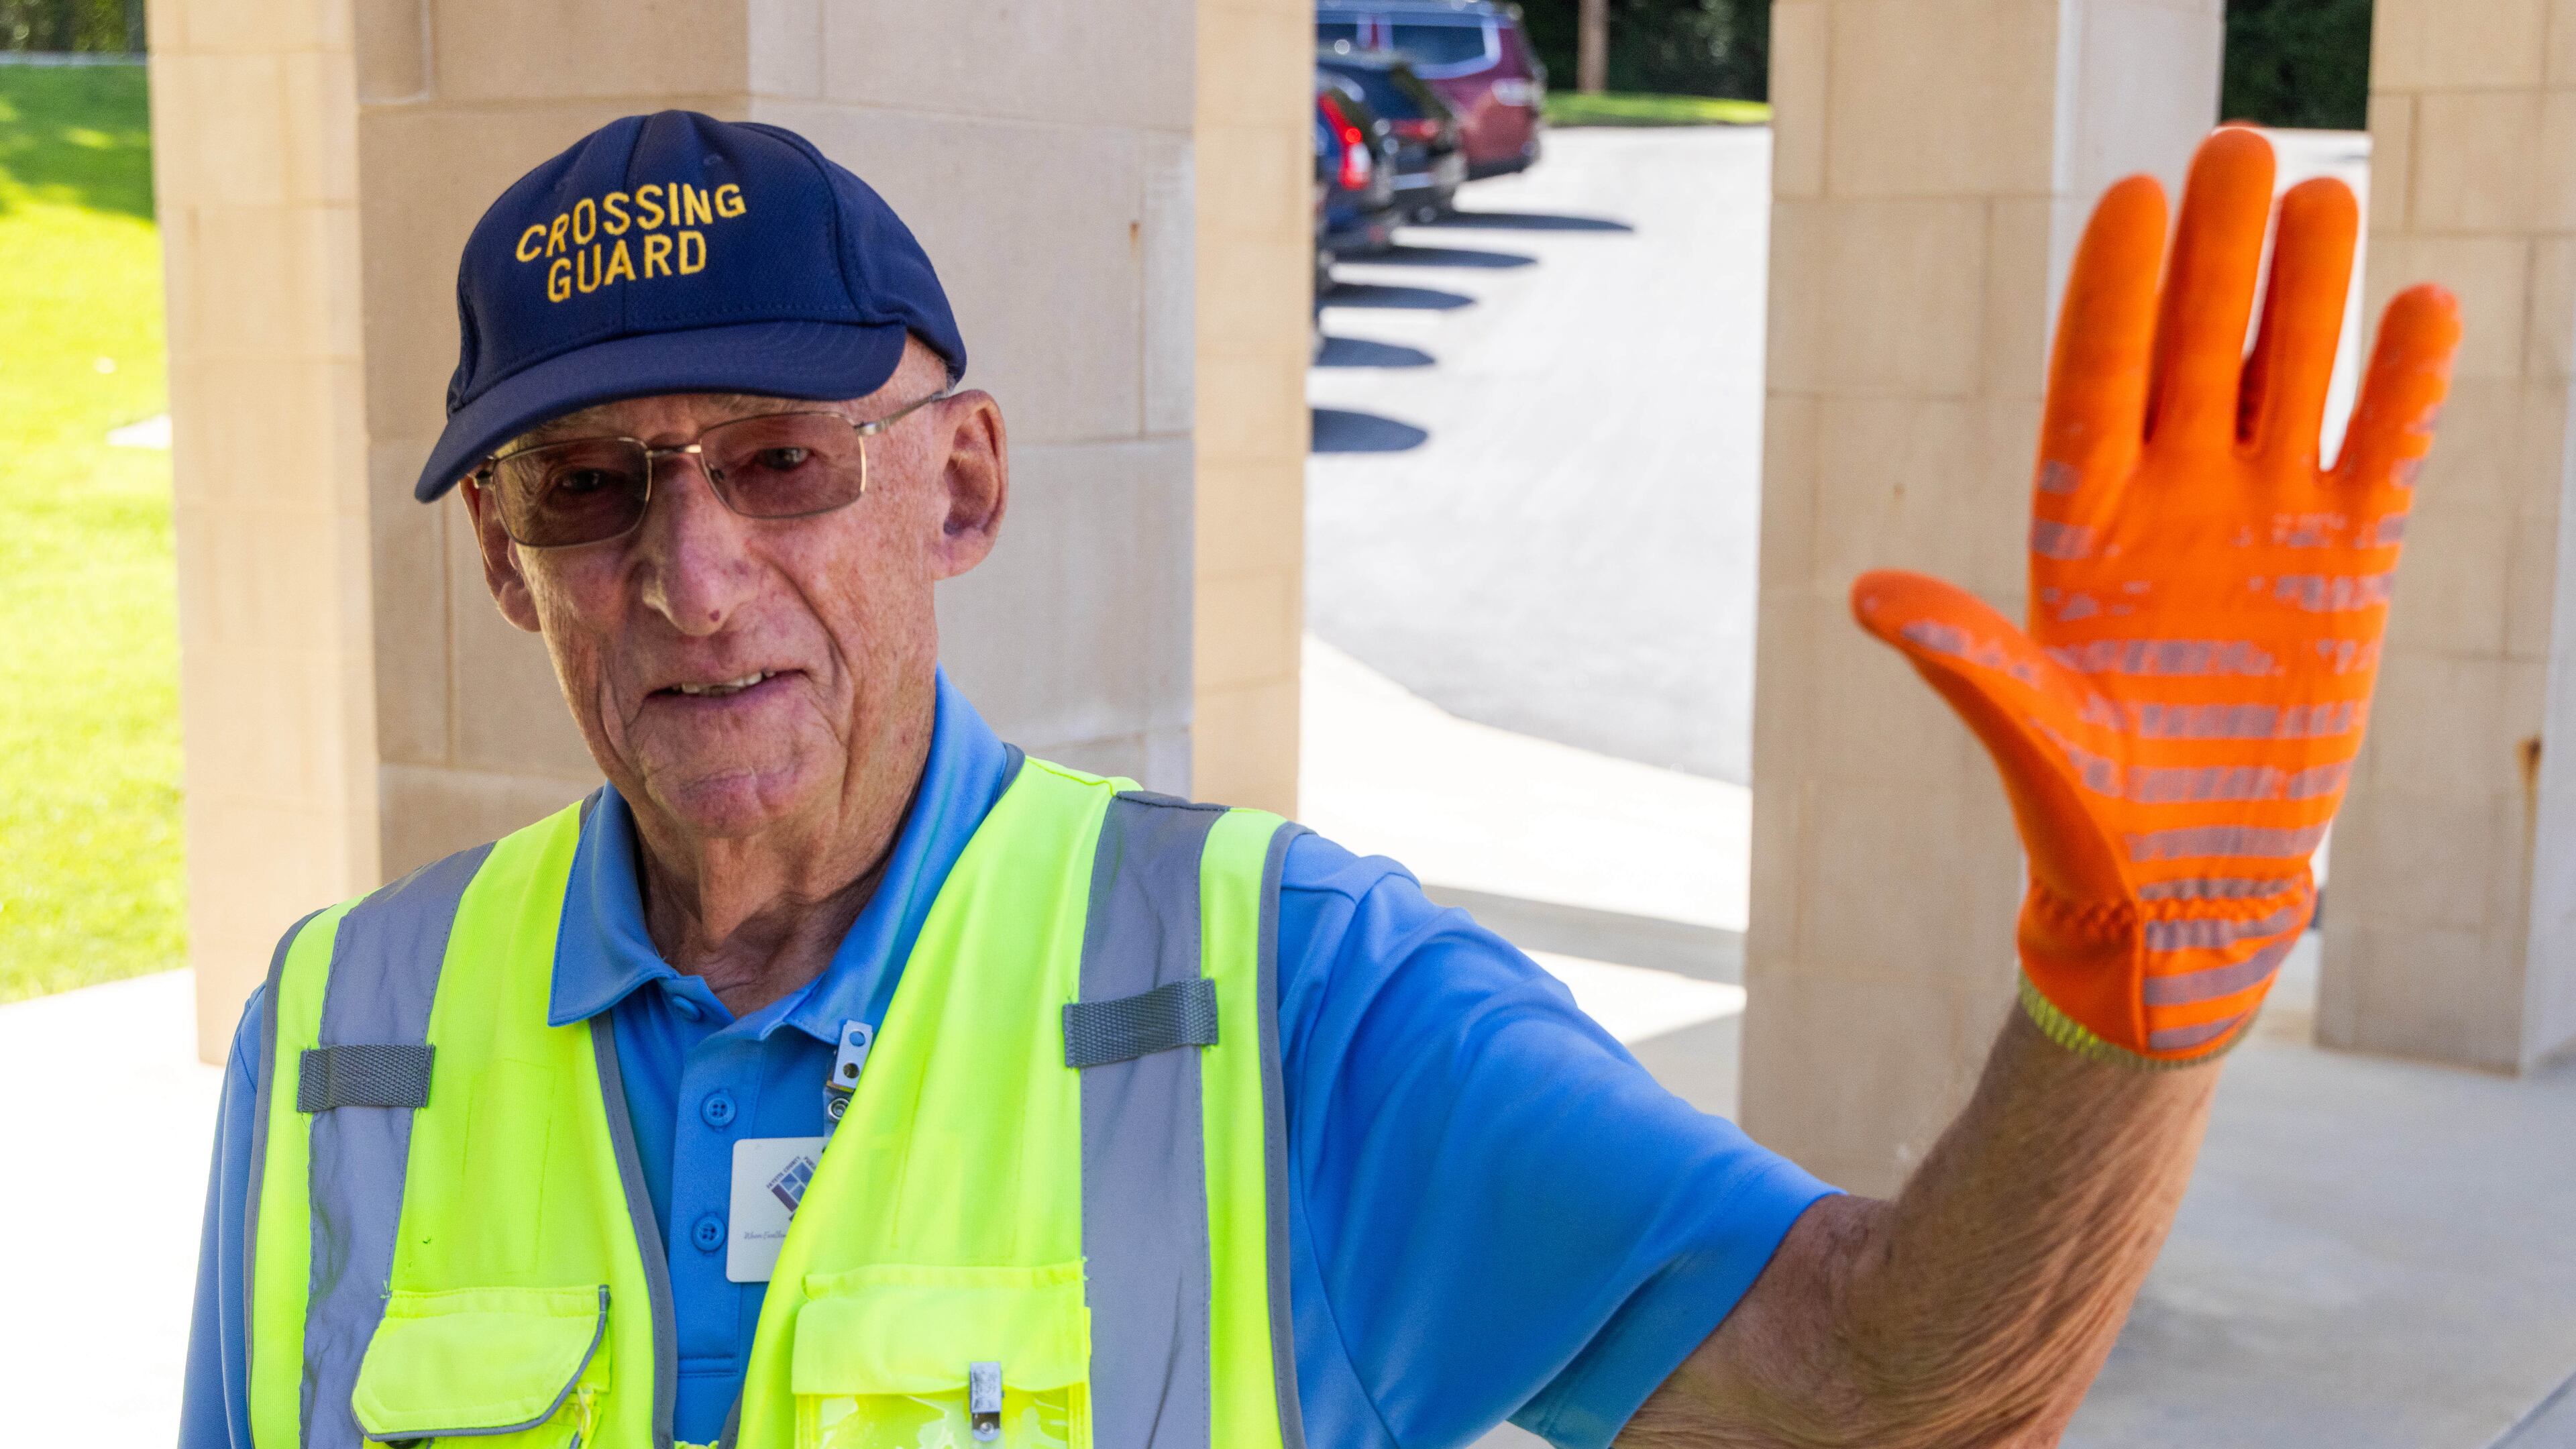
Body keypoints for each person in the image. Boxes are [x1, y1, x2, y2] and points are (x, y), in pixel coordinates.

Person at [177, 113, 2457, 1449]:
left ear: (956, 485)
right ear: (505, 564)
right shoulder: (335, 1040)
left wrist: (2131, 1030)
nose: (691, 572)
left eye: (780, 461)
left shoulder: (1288, 984)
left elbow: (1870, 1401)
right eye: (588, 490)